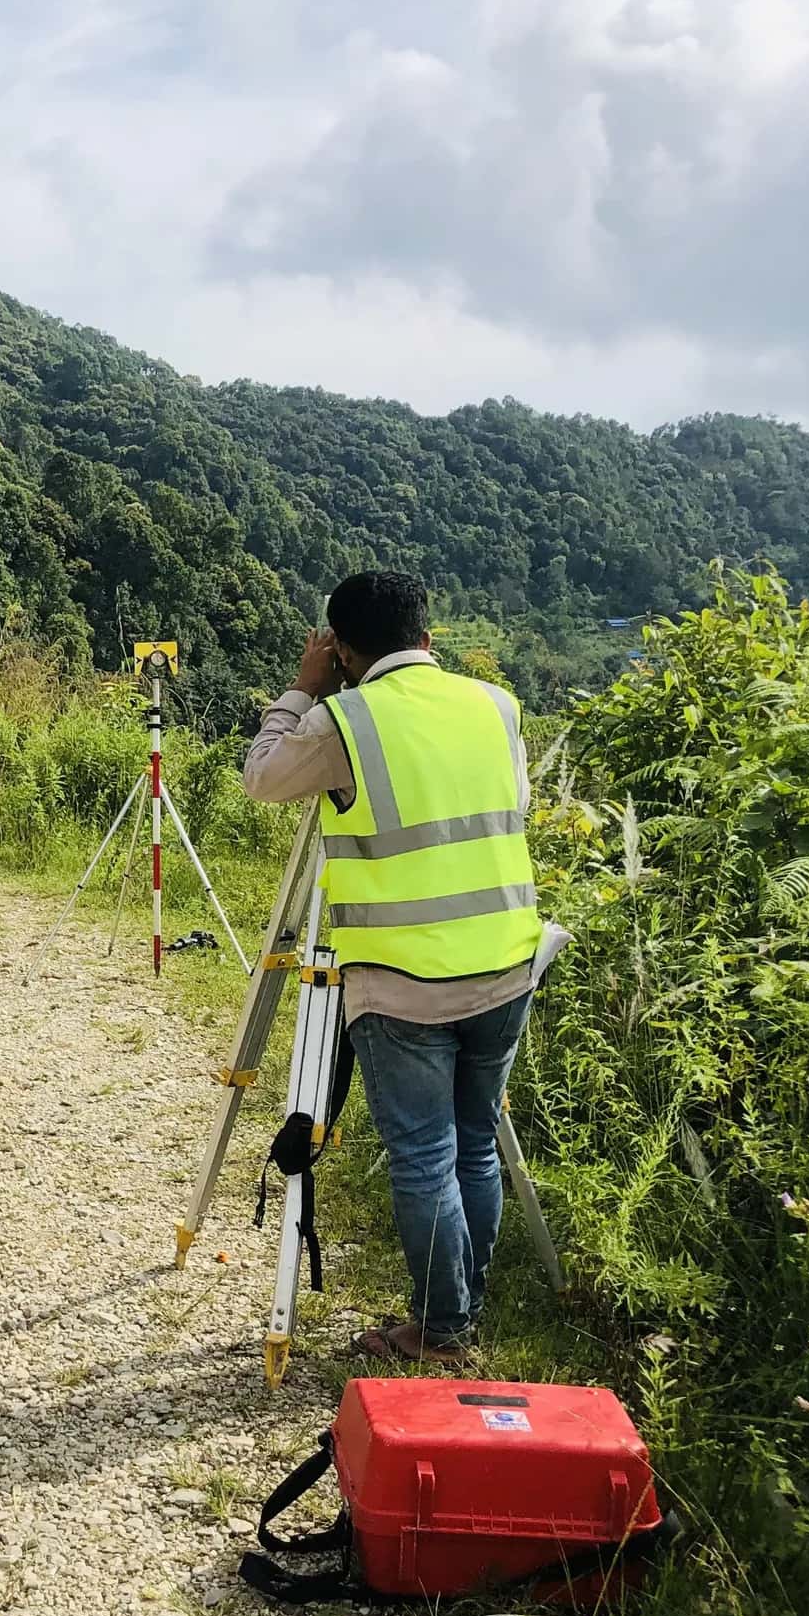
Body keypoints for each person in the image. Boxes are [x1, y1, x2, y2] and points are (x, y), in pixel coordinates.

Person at [242, 571, 541, 1364]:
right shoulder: (497, 706)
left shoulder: (346, 719)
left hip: (405, 979)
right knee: (473, 1146)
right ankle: (462, 1313)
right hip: (507, 962)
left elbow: (263, 778)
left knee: (423, 1158)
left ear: (340, 650)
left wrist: (299, 693)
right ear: (428, 638)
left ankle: (442, 1333)